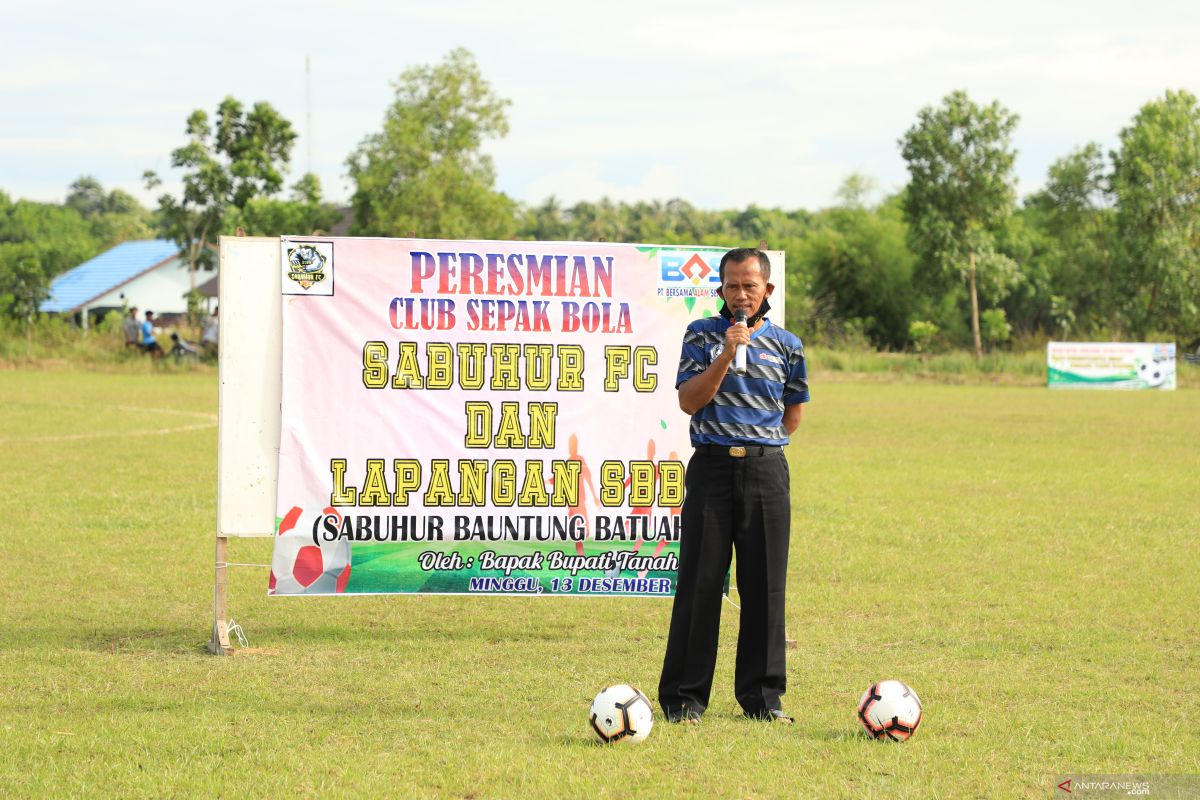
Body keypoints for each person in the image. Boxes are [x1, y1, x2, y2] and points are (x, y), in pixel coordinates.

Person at [658, 247, 809, 725]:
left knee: (765, 587)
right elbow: (688, 401)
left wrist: (757, 444)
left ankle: (763, 700)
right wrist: (727, 352)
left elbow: (793, 414)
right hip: (712, 470)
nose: (741, 294)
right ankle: (684, 700)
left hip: (766, 471)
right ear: (719, 289)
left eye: (750, 285)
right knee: (700, 583)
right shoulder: (701, 335)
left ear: (768, 290)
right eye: (732, 285)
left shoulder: (789, 344)